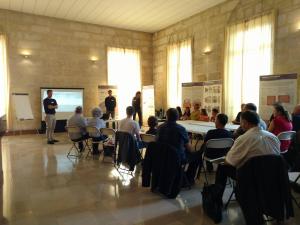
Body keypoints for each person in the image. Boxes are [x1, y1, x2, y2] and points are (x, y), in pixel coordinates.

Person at [215, 111, 280, 199]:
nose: (240, 125)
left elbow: (230, 161)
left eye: (241, 122)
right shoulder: (273, 137)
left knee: (222, 167)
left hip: (251, 175)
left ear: (245, 123)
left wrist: (225, 159)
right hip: (271, 174)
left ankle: (217, 200)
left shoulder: (243, 138)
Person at [156, 108, 202, 184]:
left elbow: (156, 141)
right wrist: (194, 151)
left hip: (162, 155)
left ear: (166, 116)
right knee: (197, 156)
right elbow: (189, 148)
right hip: (177, 157)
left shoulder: (160, 127)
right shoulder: (181, 129)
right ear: (177, 117)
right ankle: (189, 178)